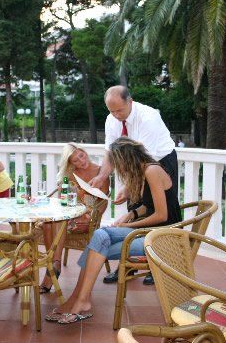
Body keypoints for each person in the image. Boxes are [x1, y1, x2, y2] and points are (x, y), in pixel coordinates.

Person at [45, 137, 181, 324]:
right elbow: (148, 207)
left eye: (118, 165)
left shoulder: (152, 170)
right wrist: (131, 214)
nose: (119, 170)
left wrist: (128, 226)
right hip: (149, 232)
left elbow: (161, 215)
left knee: (97, 242)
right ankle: (79, 300)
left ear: (126, 158)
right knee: (99, 239)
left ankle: (79, 301)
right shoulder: (144, 171)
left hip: (163, 237)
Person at [90, 85, 179, 285]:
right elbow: (111, 152)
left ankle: (155, 263)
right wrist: (102, 176)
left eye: (119, 110)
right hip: (135, 163)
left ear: (130, 101)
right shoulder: (112, 119)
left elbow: (146, 158)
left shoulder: (148, 117)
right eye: (111, 111)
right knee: (135, 205)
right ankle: (128, 266)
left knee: (158, 206)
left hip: (159, 160)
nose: (115, 115)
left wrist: (129, 186)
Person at [39, 143, 110, 293]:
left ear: (85, 152)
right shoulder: (70, 175)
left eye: (81, 156)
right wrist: (62, 189)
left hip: (87, 218)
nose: (81, 161)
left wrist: (92, 217)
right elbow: (61, 201)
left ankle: (52, 268)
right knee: (48, 223)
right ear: (70, 163)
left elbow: (103, 202)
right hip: (70, 215)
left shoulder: (100, 172)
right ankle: (54, 263)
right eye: (75, 161)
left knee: (59, 222)